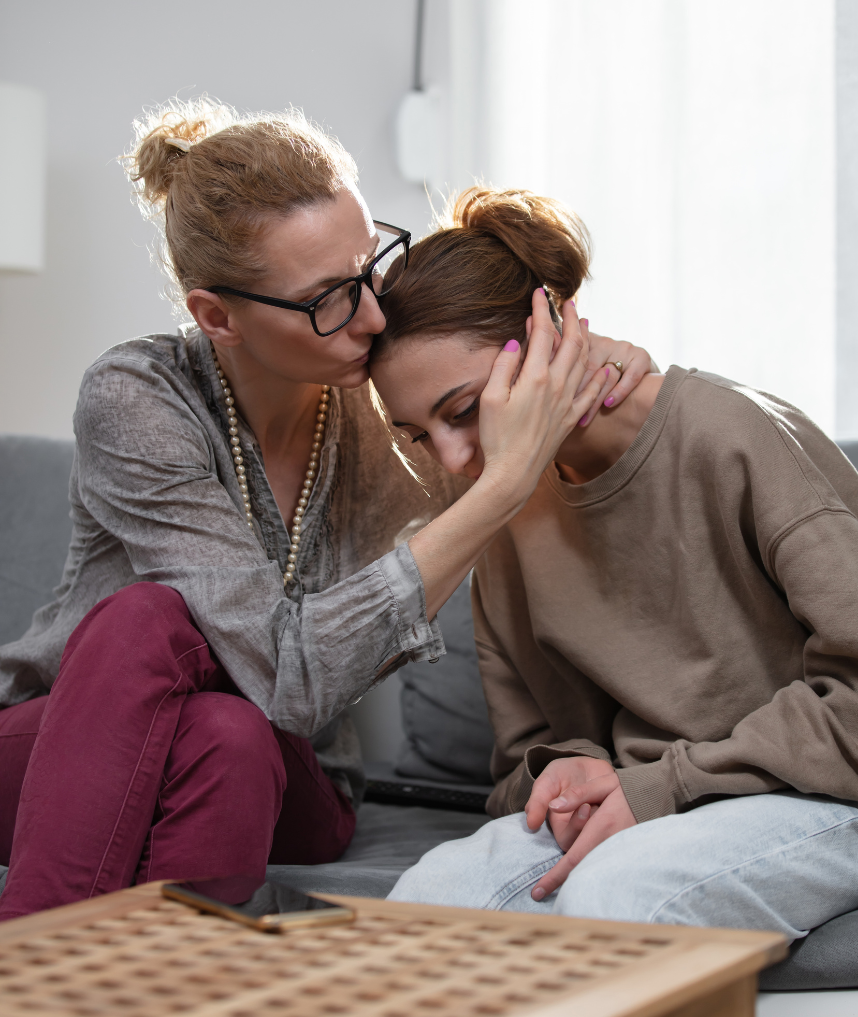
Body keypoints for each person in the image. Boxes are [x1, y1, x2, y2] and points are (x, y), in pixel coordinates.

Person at [0, 101, 652, 921]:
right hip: (61, 743)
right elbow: (284, 680)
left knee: (234, 726)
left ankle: (26, 985)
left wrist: (600, 368)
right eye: (329, 299)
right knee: (182, 670)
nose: (374, 318)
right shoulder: (138, 398)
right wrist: (497, 489)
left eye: (369, 270)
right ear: (217, 317)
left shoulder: (390, 408)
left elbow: (523, 402)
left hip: (301, 781)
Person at [370, 185, 858, 941]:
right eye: (419, 434)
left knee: (618, 901)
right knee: (420, 909)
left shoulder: (729, 435)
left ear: (550, 328)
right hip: (661, 805)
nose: (455, 458)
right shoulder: (504, 505)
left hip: (847, 792)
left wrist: (659, 787)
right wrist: (569, 771)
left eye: (463, 410)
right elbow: (530, 749)